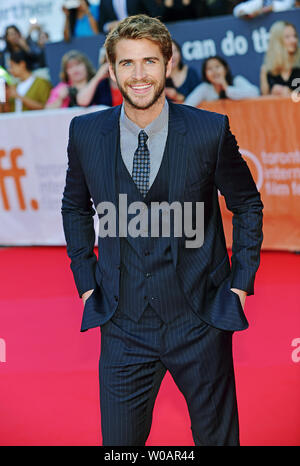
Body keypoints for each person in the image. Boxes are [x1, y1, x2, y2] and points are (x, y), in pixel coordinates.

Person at [61, 14, 263, 446]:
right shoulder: (85, 133)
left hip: (201, 321)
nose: (139, 75)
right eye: (127, 63)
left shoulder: (208, 130)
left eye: (150, 61)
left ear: (168, 65)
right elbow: (74, 208)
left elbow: (247, 203)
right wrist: (85, 283)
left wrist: (240, 285)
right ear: (112, 70)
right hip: (122, 325)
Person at [184, 55, 259, 106]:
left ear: (225, 69)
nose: (214, 71)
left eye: (217, 66)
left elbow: (255, 93)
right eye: (209, 69)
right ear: (205, 74)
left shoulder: (236, 80)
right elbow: (188, 105)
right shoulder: (205, 88)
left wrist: (226, 88)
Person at [260, 21, 300, 96]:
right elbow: (264, 101)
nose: (293, 40)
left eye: (295, 36)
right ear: (277, 41)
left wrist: (291, 93)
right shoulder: (266, 70)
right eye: (287, 37)